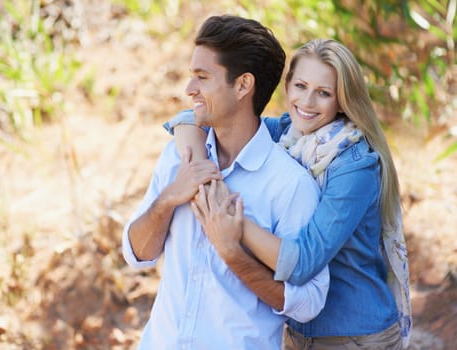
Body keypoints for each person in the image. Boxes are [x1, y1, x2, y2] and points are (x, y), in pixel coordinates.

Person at [165, 38, 412, 349]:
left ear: (342, 101)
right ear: (287, 86)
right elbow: (197, 120)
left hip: (355, 336)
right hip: (296, 332)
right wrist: (199, 163)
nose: (307, 102)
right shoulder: (287, 133)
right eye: (300, 86)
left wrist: (230, 218)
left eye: (323, 93)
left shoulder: (354, 164)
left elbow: (303, 262)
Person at [122, 15, 329, 349]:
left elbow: (308, 303)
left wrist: (234, 255)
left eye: (202, 77)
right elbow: (137, 254)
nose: (189, 90)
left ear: (243, 85)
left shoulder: (290, 186)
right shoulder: (179, 157)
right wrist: (168, 198)